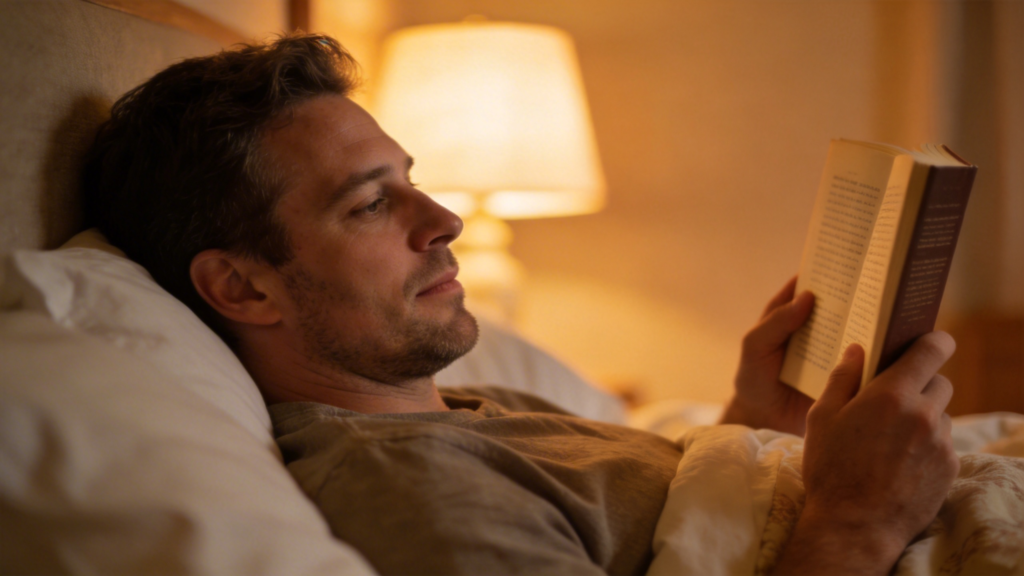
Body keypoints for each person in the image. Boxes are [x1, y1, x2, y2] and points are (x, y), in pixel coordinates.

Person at [83, 34, 959, 575]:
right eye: (370, 205)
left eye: (409, 182)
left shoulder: (472, 412)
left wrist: (754, 418)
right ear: (241, 286)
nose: (446, 220)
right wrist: (855, 524)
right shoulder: (413, 486)